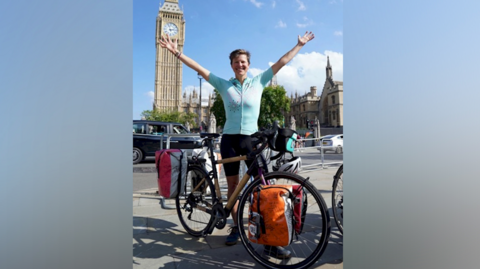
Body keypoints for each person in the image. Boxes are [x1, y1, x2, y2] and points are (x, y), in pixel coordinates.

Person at [159, 31, 315, 258]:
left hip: (252, 140)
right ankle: (236, 227)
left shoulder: (259, 81)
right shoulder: (224, 85)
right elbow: (200, 69)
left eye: (243, 62)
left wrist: (299, 45)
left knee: (263, 188)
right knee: (233, 189)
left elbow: (282, 61)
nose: (240, 65)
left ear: (248, 65)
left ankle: (269, 236)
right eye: (236, 62)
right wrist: (177, 53)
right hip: (230, 140)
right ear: (232, 65)